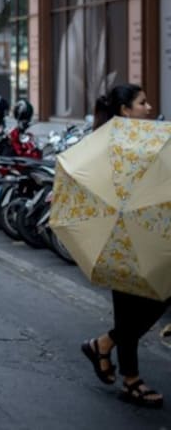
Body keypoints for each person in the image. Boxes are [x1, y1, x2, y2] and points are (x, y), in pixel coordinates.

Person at [81, 83, 168, 408]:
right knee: (134, 305)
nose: (148, 107)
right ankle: (129, 378)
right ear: (125, 111)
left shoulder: (146, 139)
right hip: (121, 234)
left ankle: (103, 345)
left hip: (143, 231)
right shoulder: (115, 144)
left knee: (152, 298)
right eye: (142, 102)